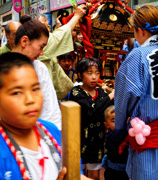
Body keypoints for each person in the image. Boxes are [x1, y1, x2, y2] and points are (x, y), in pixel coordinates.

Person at [0, 52, 92, 180]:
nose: (30, 99)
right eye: (17, 92)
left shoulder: (52, 130)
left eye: (35, 89)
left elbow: (76, 175)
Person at [114, 5, 158, 180]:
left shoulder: (138, 56)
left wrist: (119, 128)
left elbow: (123, 100)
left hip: (148, 142)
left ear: (140, 30)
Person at [69, 57, 114, 180]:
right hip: (80, 140)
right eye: (89, 73)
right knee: (79, 174)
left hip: (97, 140)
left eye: (97, 73)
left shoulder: (102, 93)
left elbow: (108, 110)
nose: (94, 77)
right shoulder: (76, 92)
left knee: (95, 175)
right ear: (80, 75)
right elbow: (93, 107)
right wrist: (111, 95)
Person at [13, 20, 62, 130]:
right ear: (24, 41)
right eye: (41, 47)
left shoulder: (40, 69)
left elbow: (51, 111)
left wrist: (55, 138)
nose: (41, 53)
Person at [37, 5, 87, 79]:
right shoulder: (40, 43)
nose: (47, 30)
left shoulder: (44, 40)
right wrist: (76, 16)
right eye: (45, 26)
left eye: (48, 26)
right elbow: (59, 35)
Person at [102, 106, 129, 180]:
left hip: (125, 172)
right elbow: (120, 135)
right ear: (107, 125)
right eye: (114, 121)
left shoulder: (126, 133)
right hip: (113, 172)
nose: (119, 123)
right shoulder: (111, 136)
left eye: (121, 120)